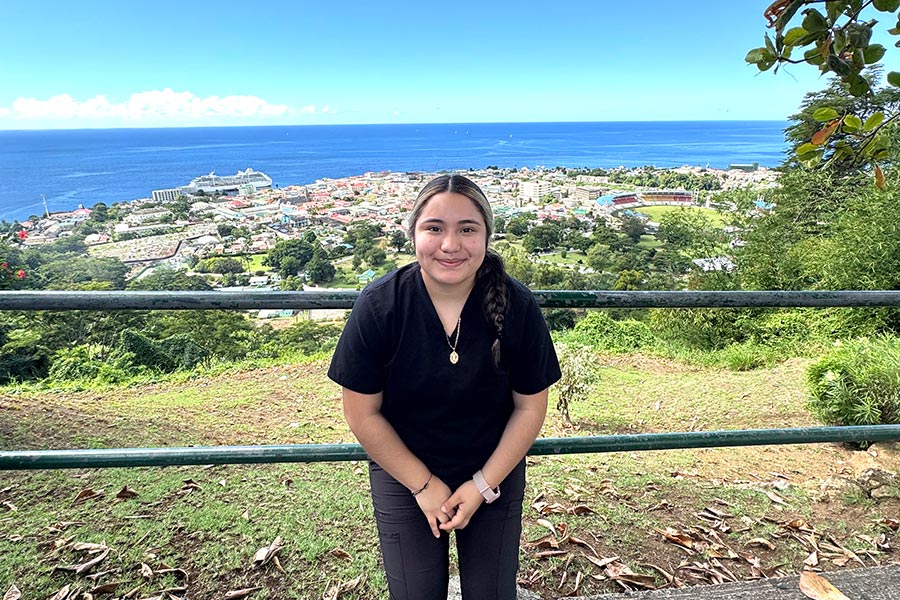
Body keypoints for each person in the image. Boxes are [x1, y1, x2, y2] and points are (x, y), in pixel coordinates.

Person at [327, 173, 561, 599]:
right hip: (403, 468)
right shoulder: (380, 306)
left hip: (494, 468)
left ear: (487, 236)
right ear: (413, 234)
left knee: (491, 592)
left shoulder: (517, 306)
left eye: (467, 229)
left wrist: (481, 486)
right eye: (434, 228)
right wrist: (423, 485)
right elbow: (361, 412)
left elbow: (530, 408)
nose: (450, 245)